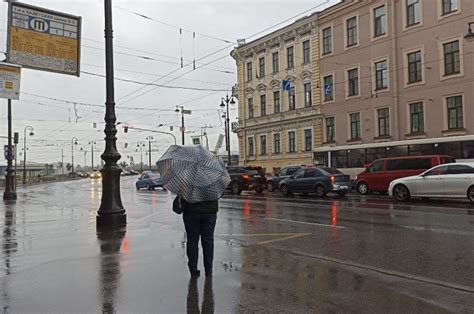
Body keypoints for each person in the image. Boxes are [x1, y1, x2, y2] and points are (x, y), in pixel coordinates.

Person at [174, 196, 218, 278]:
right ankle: (208, 271)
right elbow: (219, 194)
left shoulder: (188, 183)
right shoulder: (212, 183)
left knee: (192, 240)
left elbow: (182, 197)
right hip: (209, 211)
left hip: (191, 211)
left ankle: (193, 270)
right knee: (208, 241)